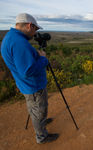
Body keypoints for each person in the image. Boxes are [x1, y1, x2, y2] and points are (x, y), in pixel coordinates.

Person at [0, 13, 59, 144]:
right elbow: (27, 71)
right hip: (33, 85)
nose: (35, 33)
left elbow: (22, 64)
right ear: (29, 26)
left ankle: (41, 120)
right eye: (35, 29)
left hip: (26, 85)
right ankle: (42, 136)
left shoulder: (11, 38)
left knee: (35, 108)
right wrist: (43, 59)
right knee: (39, 109)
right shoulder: (19, 43)